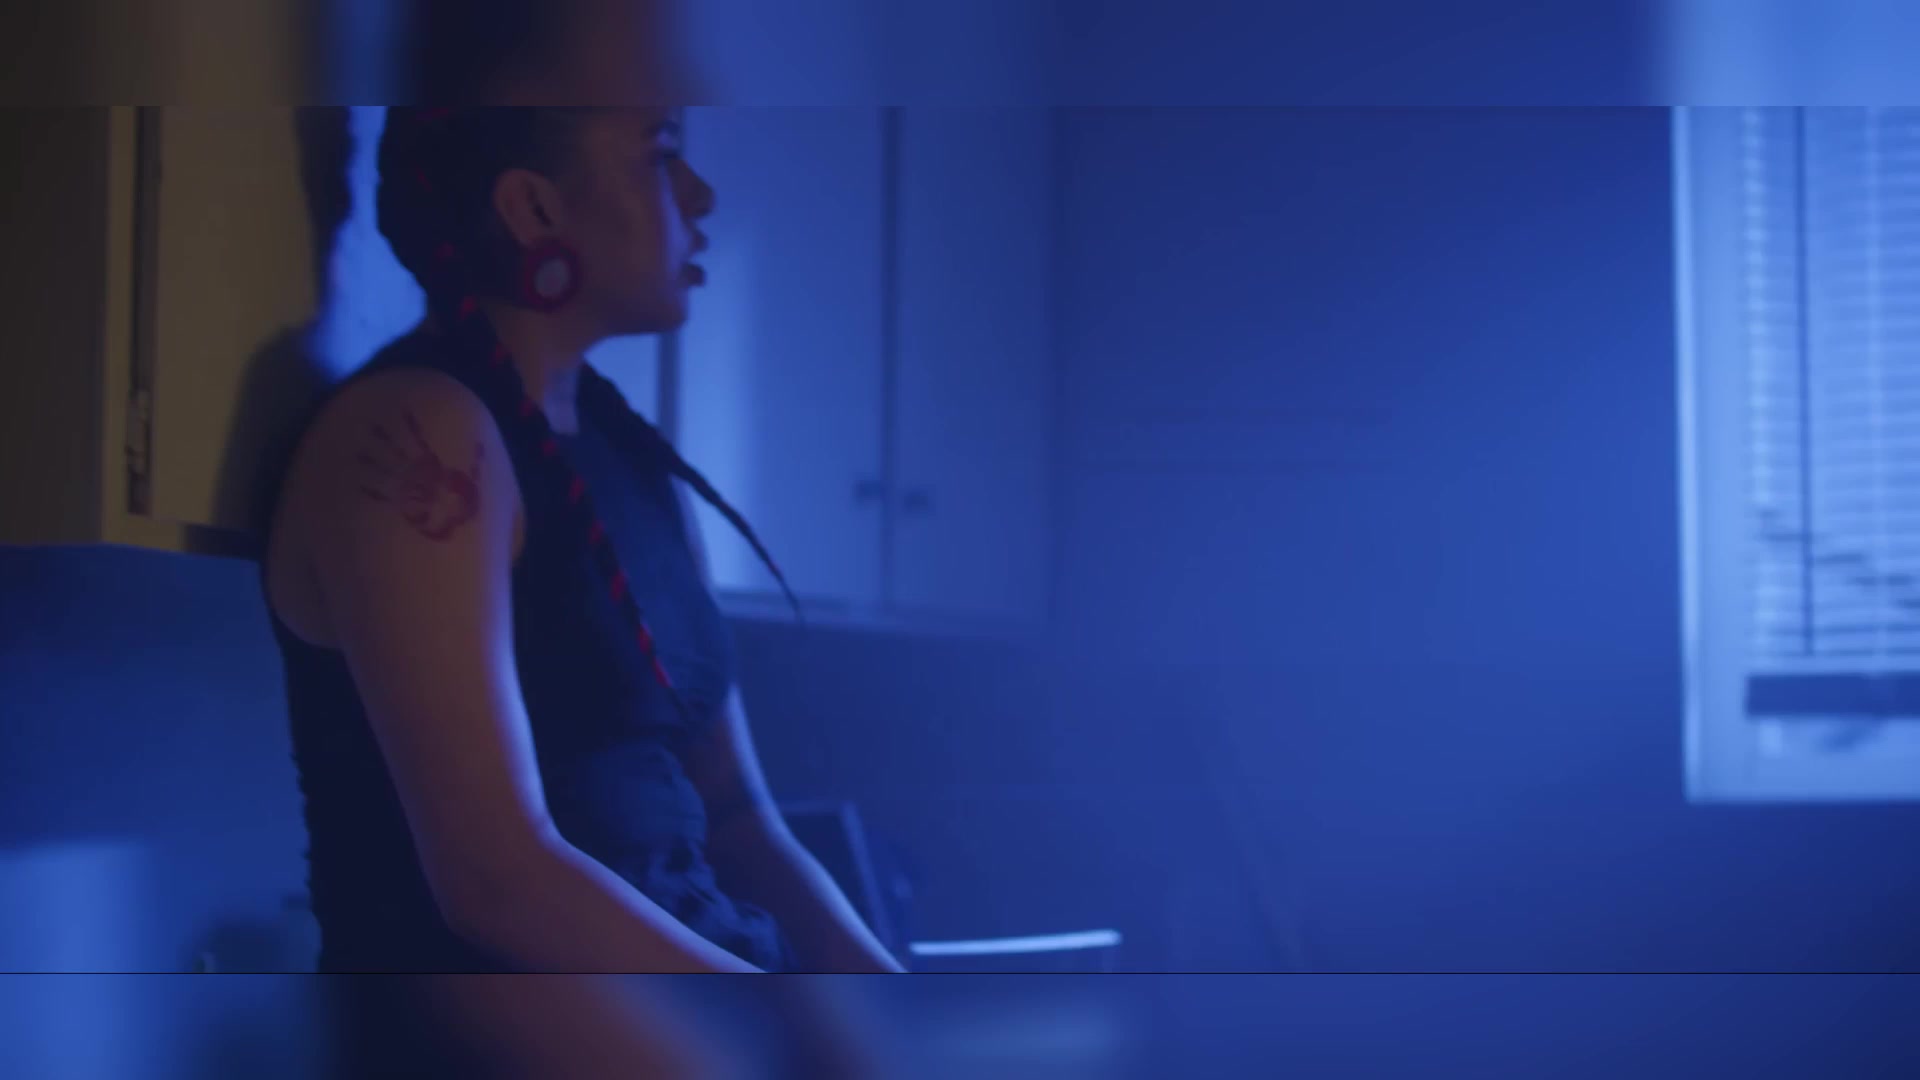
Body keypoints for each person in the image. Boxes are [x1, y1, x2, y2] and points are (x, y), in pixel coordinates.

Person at [259, 3, 901, 1074]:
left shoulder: (633, 459)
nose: (699, 195)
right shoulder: (421, 431)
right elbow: (497, 882)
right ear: (534, 207)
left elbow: (739, 820)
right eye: (659, 149)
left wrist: (890, 1023)